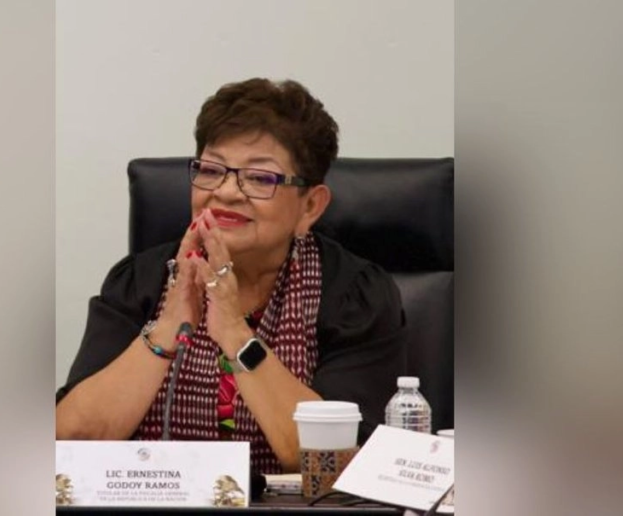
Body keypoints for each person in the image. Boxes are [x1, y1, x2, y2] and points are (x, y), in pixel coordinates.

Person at [55, 78, 406, 474]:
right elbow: (70, 440)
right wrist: (167, 328)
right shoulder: (141, 282)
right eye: (211, 170)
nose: (225, 191)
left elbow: (339, 460)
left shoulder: (353, 294)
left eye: (259, 178)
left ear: (310, 206)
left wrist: (237, 337)